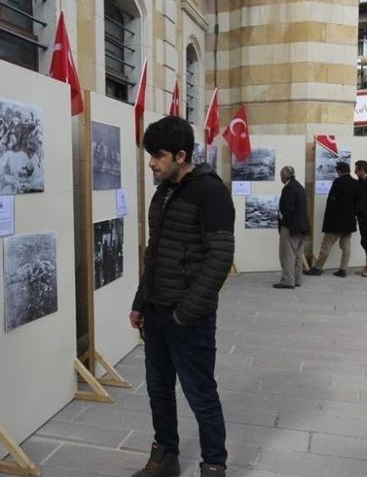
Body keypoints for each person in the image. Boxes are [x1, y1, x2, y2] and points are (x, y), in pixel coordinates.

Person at [129, 116, 234, 477]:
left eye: (157, 156)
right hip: (157, 313)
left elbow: (220, 258)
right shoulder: (163, 193)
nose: (151, 163)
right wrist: (141, 301)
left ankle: (214, 465)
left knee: (201, 395)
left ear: (181, 154)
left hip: (189, 318)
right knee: (159, 391)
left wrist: (186, 312)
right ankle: (165, 457)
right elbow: (154, 253)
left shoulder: (211, 191)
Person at [305, 161, 358, 278]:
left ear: (339, 171)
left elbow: (331, 201)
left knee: (326, 244)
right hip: (349, 220)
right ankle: (343, 269)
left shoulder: (337, 182)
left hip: (336, 220)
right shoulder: (355, 183)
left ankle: (318, 267)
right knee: (346, 245)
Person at [275, 165, 309, 288]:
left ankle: (288, 281)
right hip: (302, 226)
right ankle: (297, 279)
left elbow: (287, 209)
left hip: (291, 227)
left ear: (284, 176)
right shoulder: (300, 187)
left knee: (287, 254)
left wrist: (283, 221)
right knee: (298, 255)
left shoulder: (288, 188)